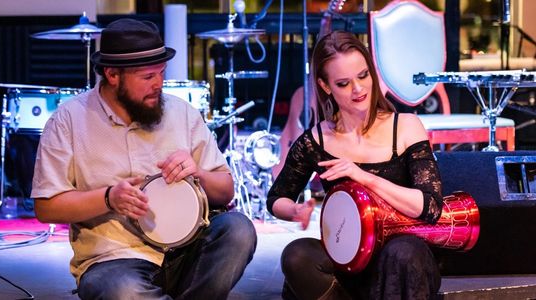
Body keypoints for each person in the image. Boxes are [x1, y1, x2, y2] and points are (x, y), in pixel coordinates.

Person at [31, 18, 257, 299]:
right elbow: (46, 206)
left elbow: (225, 190)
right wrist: (108, 198)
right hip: (114, 259)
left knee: (239, 229)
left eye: (161, 73)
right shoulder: (68, 121)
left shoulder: (181, 113)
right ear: (113, 75)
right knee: (123, 291)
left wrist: (197, 172)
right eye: (148, 77)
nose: (159, 84)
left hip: (186, 250)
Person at [267, 31, 444, 299]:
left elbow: (429, 206)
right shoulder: (317, 139)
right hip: (347, 255)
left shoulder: (405, 126)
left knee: (402, 254)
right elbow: (277, 198)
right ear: (326, 86)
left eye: (363, 76)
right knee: (297, 255)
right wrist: (295, 211)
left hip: (405, 255)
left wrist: (362, 176)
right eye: (343, 83)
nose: (359, 89)